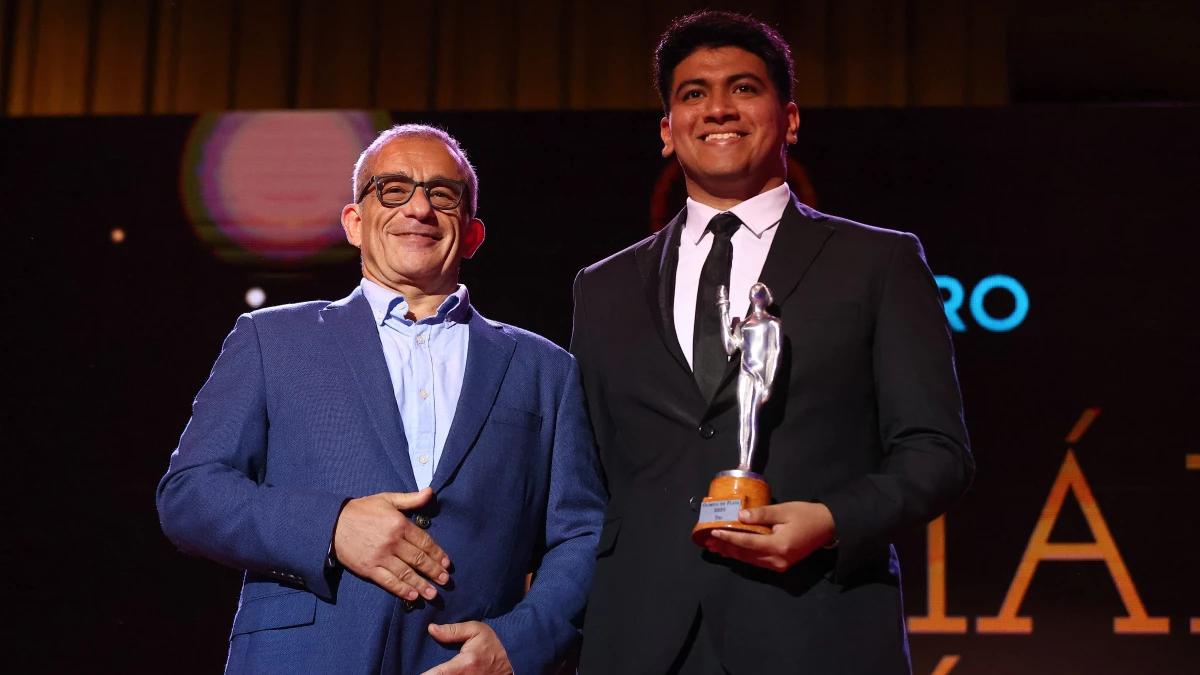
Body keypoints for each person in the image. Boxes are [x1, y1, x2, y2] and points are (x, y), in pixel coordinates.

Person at [570, 11, 974, 674]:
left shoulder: (879, 262)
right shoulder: (602, 285)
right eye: (693, 93)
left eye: (744, 88)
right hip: (637, 638)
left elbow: (937, 453)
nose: (718, 108)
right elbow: (586, 478)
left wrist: (830, 519)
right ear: (668, 131)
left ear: (789, 119)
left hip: (815, 623)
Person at [157, 124, 606, 675]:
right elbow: (189, 495)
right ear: (354, 222)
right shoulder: (270, 340)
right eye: (392, 189)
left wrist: (518, 642)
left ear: (472, 234)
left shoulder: (544, 368)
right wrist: (331, 526)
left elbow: (582, 534)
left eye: (442, 194)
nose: (419, 208)